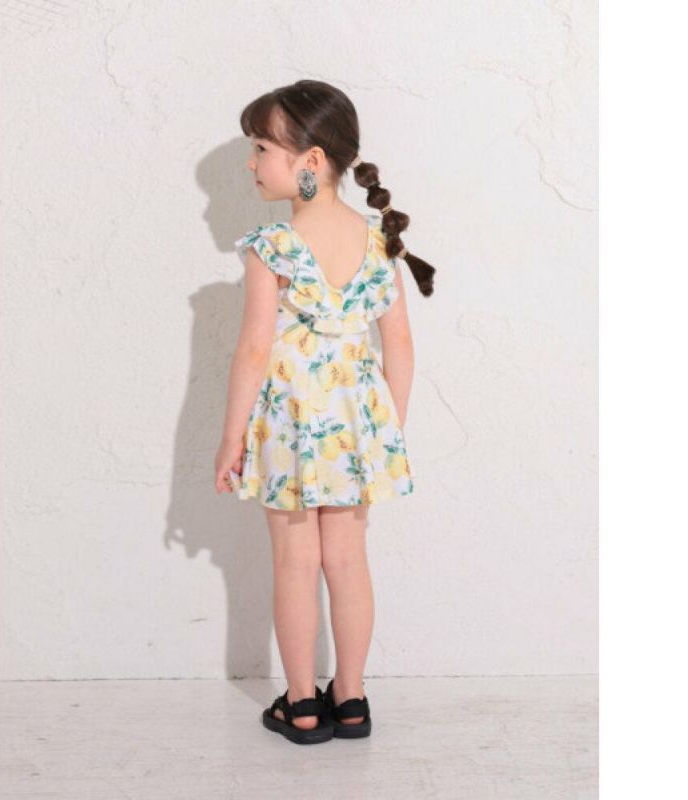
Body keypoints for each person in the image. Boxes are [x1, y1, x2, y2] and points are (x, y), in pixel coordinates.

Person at [214, 80, 436, 745]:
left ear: (310, 161)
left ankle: (303, 703)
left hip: (289, 423)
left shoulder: (272, 246)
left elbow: (254, 350)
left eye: (261, 147)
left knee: (294, 561)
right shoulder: (380, 242)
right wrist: (387, 432)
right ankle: (353, 698)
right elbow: (399, 345)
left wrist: (231, 440)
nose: (252, 162)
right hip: (358, 428)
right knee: (348, 560)